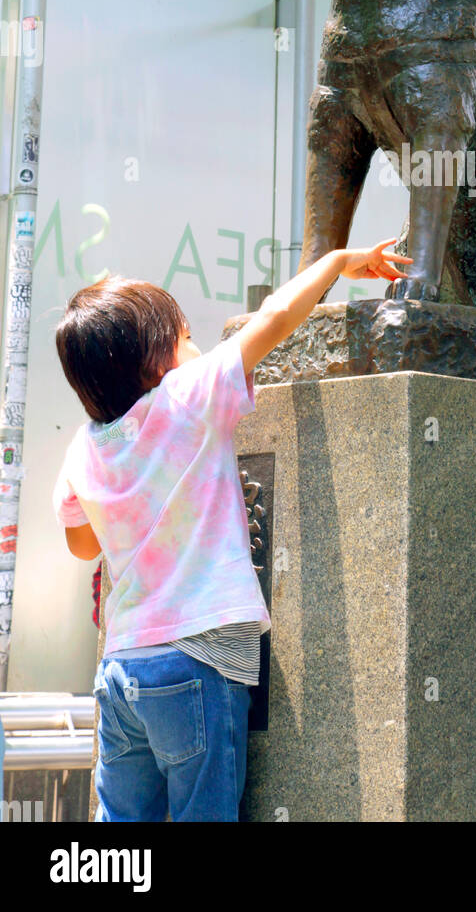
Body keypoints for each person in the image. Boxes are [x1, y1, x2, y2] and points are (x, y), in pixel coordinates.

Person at [52, 239, 410, 822]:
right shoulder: (185, 398)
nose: (198, 348)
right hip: (198, 659)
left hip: (121, 674)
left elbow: (82, 543)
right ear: (158, 362)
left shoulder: (83, 447)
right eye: (187, 336)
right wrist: (337, 263)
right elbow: (275, 318)